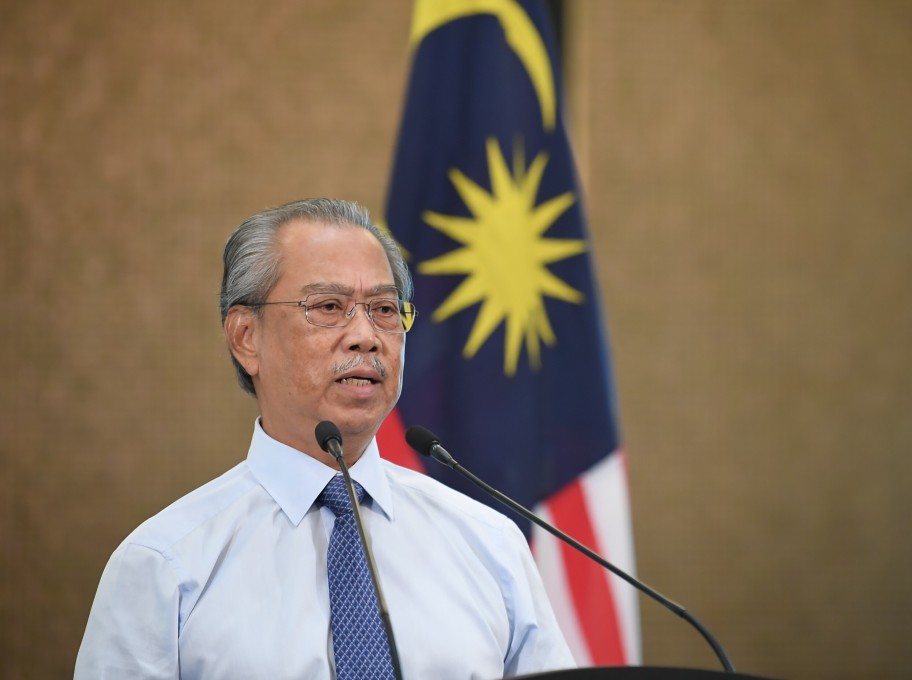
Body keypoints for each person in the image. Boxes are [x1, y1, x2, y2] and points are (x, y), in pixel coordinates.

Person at [75, 198, 575, 679]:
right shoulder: (164, 564)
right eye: (330, 306)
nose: (365, 335)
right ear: (246, 337)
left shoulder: (490, 543)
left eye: (384, 308)